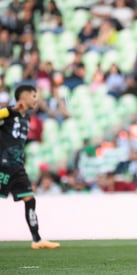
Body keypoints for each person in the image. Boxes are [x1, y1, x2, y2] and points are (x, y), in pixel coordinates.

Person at [0, 85, 60, 249]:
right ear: (23, 96)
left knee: (30, 199)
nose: (36, 99)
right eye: (33, 96)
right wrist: (9, 109)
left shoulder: (27, 118)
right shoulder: (9, 113)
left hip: (17, 167)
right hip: (2, 165)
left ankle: (37, 239)